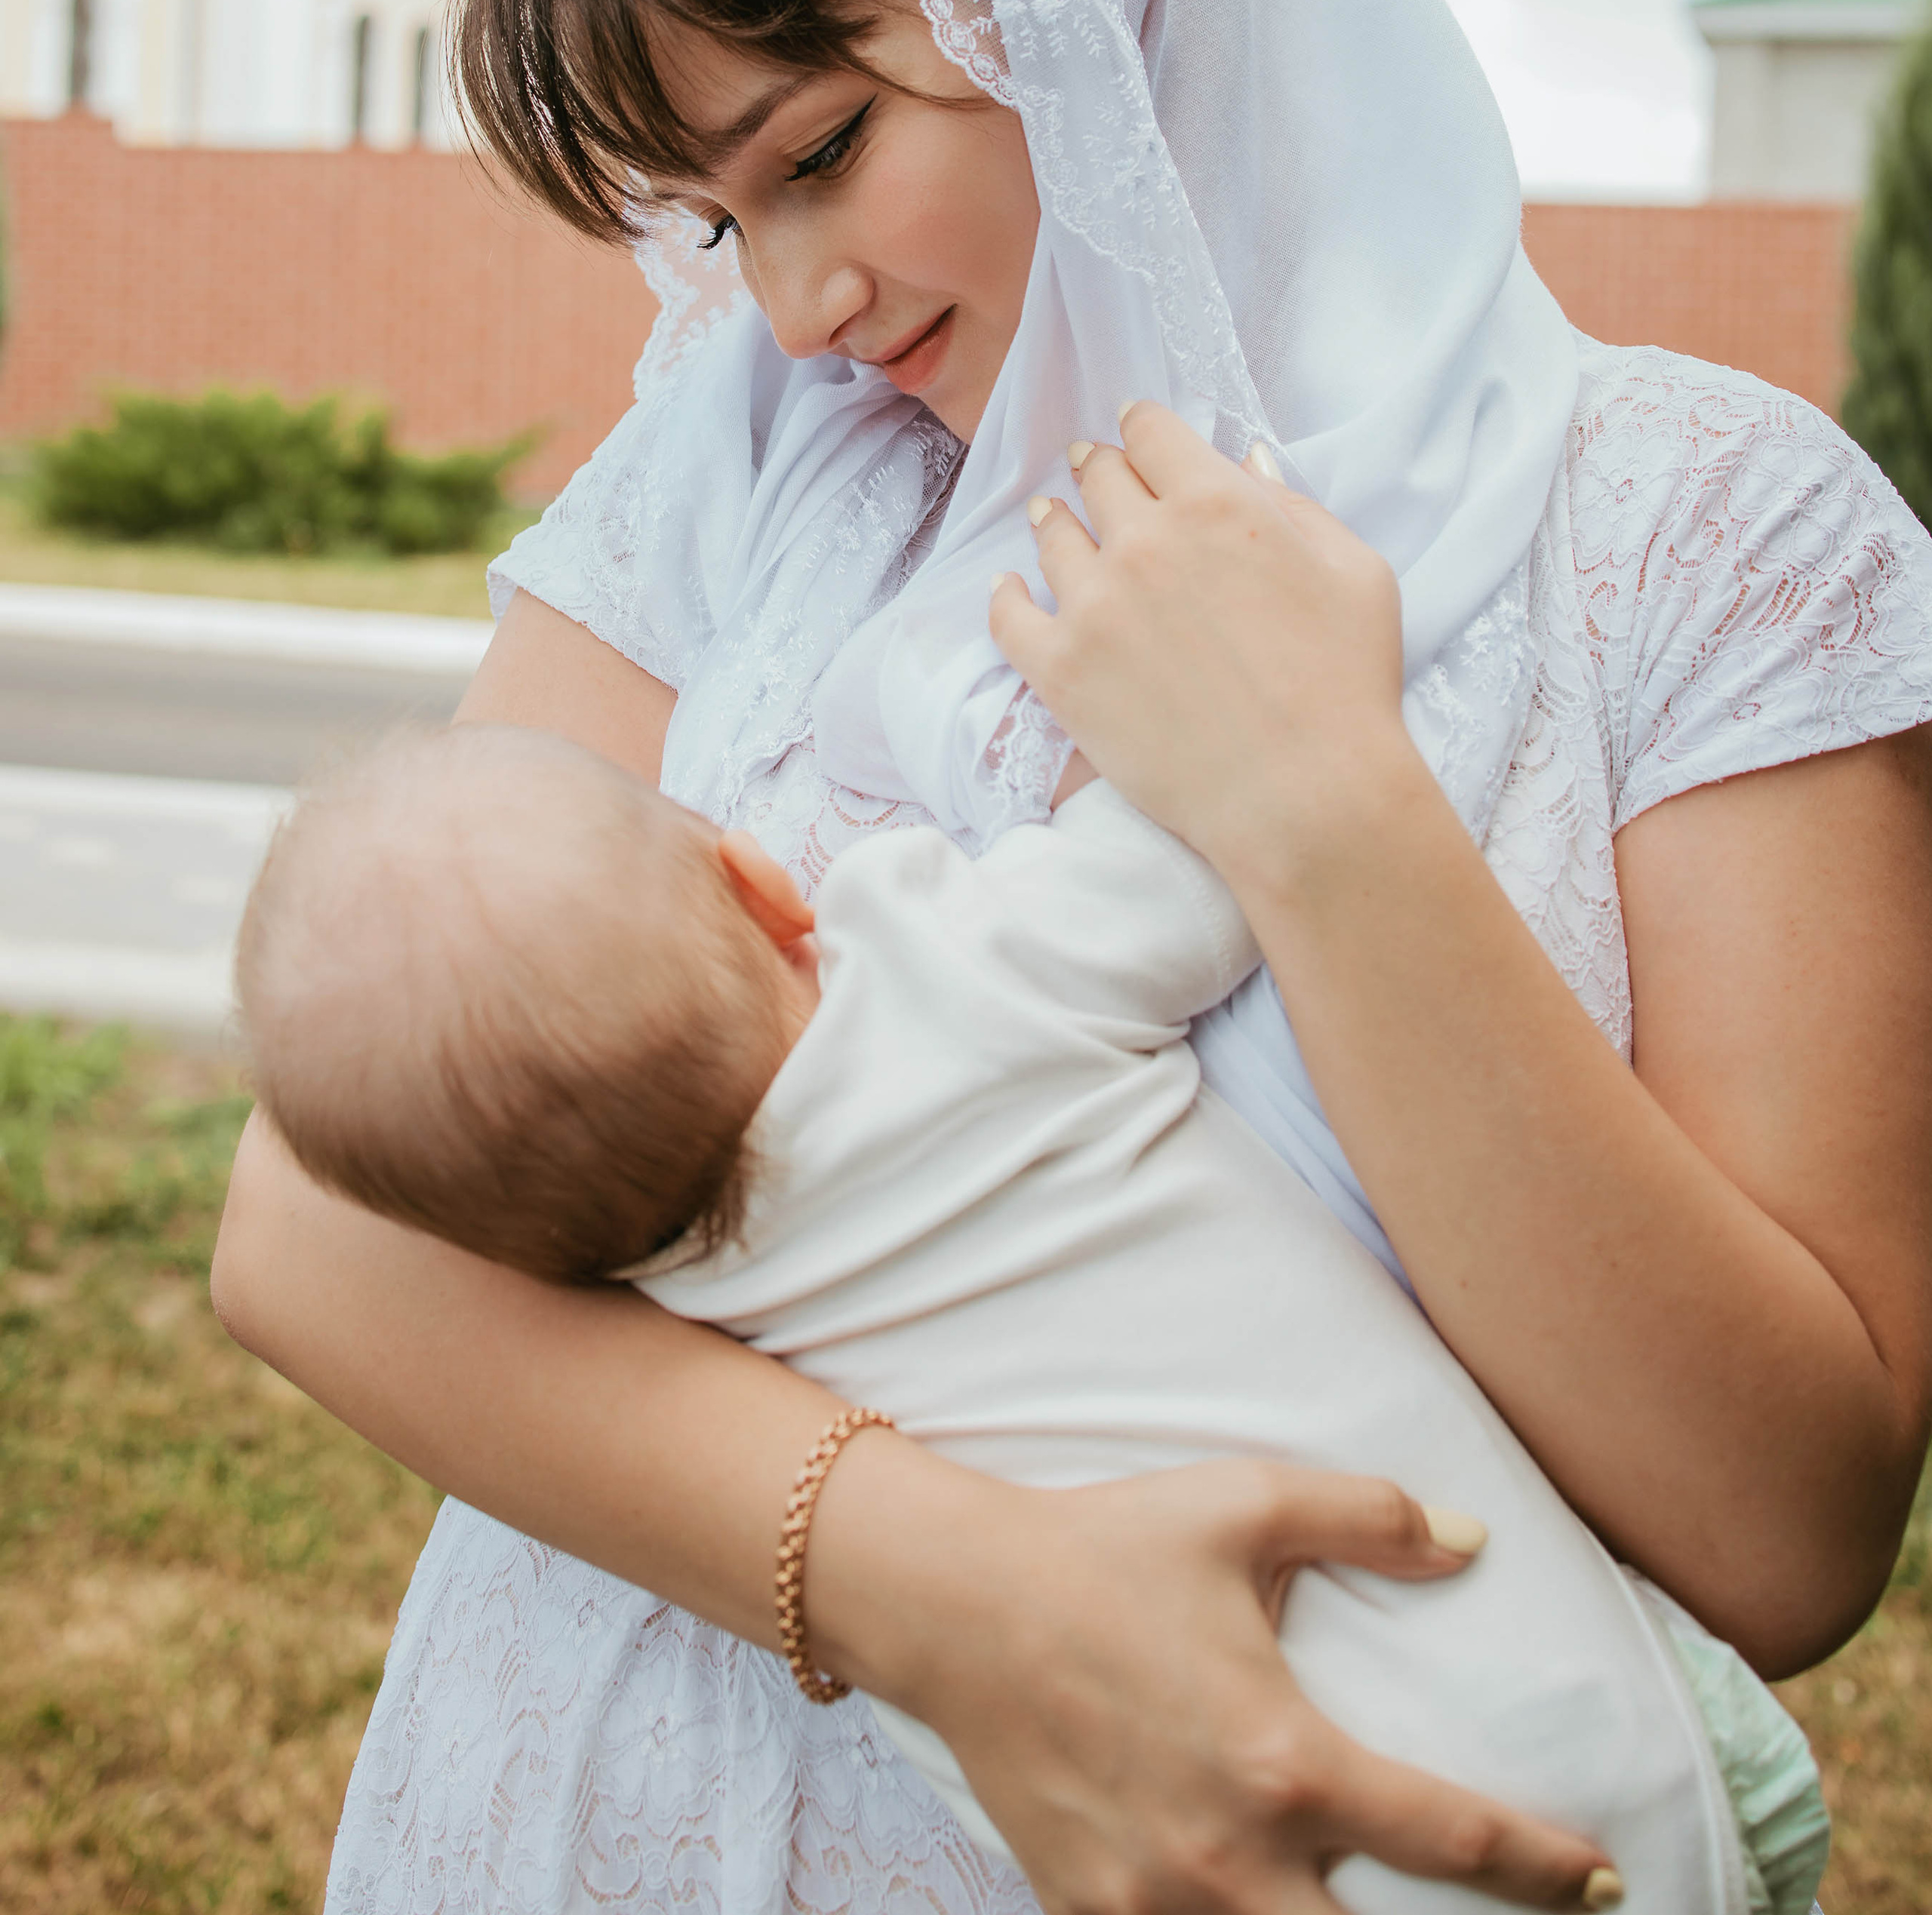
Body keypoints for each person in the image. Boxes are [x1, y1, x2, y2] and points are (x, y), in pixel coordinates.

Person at [211, 0, 1932, 1915]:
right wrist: (949, 1600)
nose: (794, 302)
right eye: (714, 221)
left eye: (822, 151)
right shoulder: (734, 475)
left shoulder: (1698, 534)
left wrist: (1327, 819)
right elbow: (314, 1222)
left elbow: (1786, 1528)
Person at [235, 715, 1824, 1912]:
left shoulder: (676, 1319)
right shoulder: (955, 976)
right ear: (762, 882)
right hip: (1583, 1724)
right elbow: (1193, 862)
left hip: (1242, 1841)